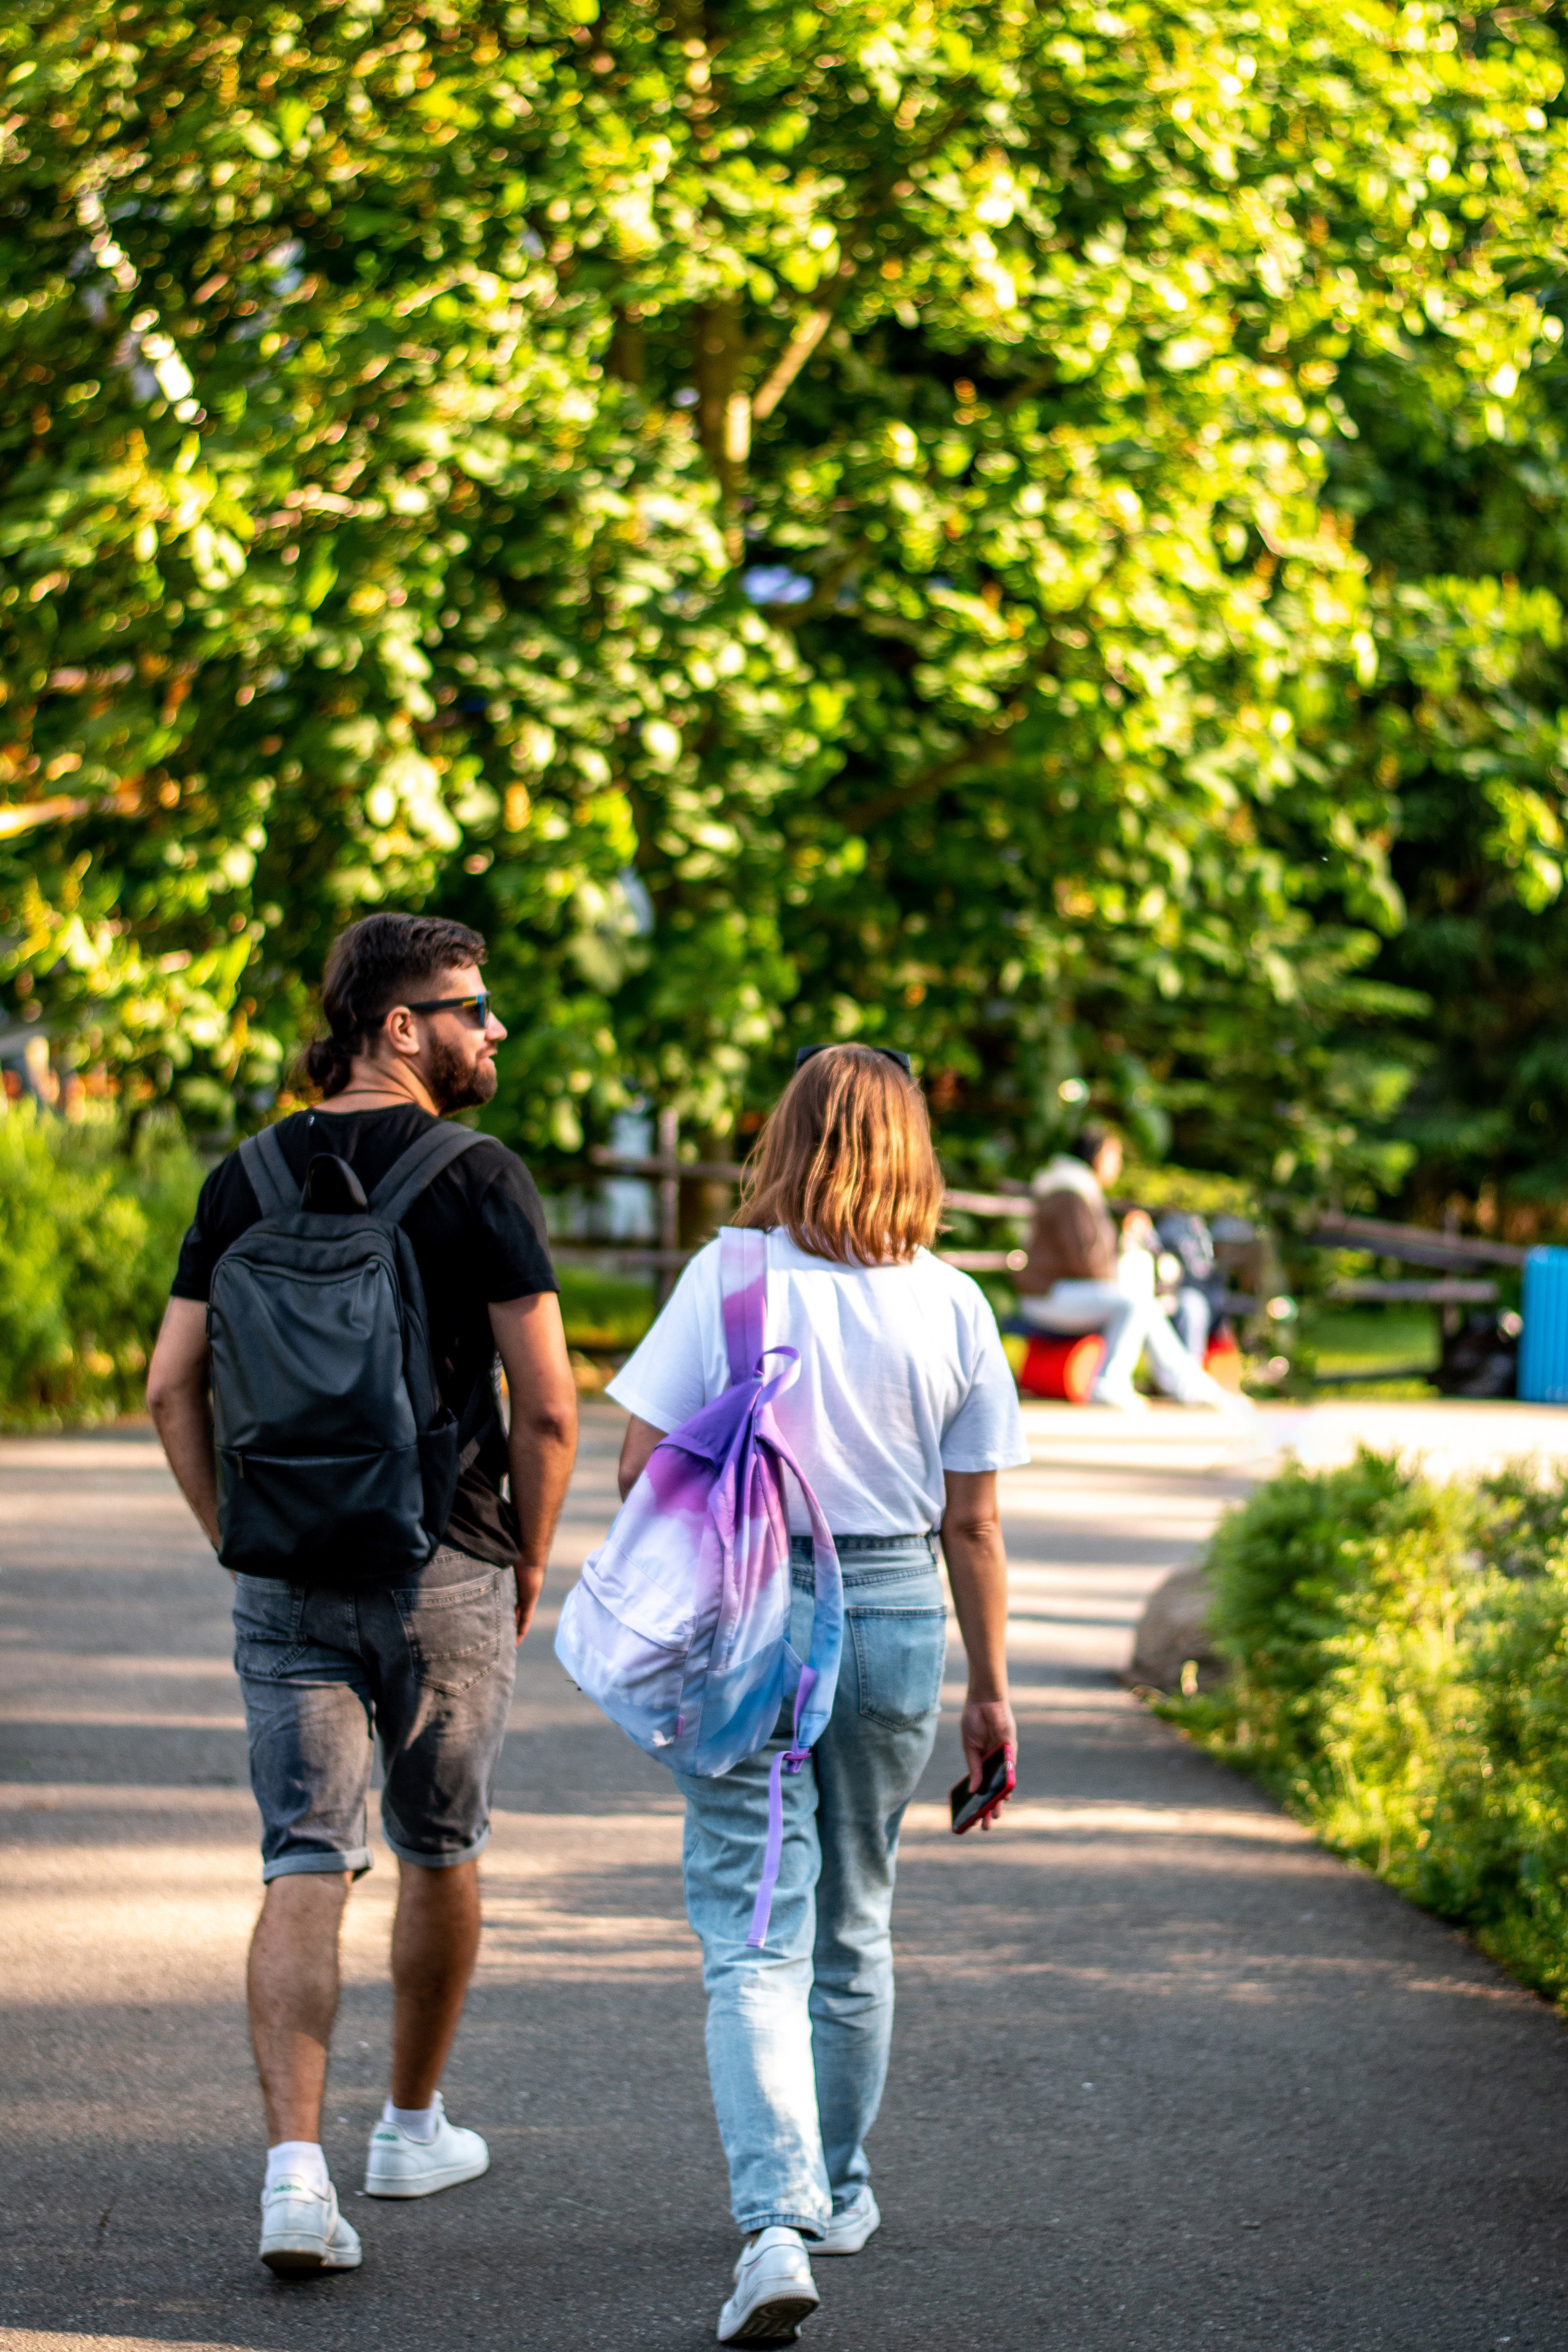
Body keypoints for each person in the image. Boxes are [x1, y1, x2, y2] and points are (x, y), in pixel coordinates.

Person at [145, 912, 578, 2275]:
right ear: (402, 1028)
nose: (492, 1025)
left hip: (284, 1566)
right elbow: (550, 1408)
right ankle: (406, 2128)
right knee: (439, 1844)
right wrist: (526, 1559)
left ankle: (291, 2178)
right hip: (440, 1556)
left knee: (301, 1858)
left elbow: (170, 1383)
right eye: (471, 1005)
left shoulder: (243, 1174)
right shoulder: (480, 1176)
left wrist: (237, 1532)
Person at [605, 1042, 1028, 2343]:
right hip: (899, 1611)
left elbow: (636, 1466)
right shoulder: (953, 1304)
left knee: (749, 1925)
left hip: (751, 1609)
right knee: (855, 1914)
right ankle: (836, 2191)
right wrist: (992, 1694)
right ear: (913, 1150)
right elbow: (973, 1526)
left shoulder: (726, 1275)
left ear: (783, 1139)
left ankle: (771, 2221)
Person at [1014, 1125, 1242, 1412]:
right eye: (1114, 1156)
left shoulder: (1076, 1189)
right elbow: (1086, 1261)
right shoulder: (1070, 1193)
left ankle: (1189, 1384)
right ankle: (1114, 1382)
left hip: (1062, 1292)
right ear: (1097, 1156)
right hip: (1049, 1296)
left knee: (1142, 1304)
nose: (1117, 1165)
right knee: (1134, 1302)